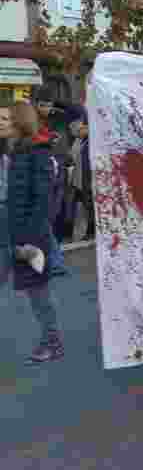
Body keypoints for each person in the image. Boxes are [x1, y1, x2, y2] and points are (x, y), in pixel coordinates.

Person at [1, 102, 62, 364]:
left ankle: (53, 342)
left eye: (4, 118)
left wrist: (30, 241)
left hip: (28, 232)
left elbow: (43, 202)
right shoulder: (9, 150)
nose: (0, 122)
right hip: (5, 228)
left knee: (38, 294)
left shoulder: (38, 152)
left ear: (19, 121)